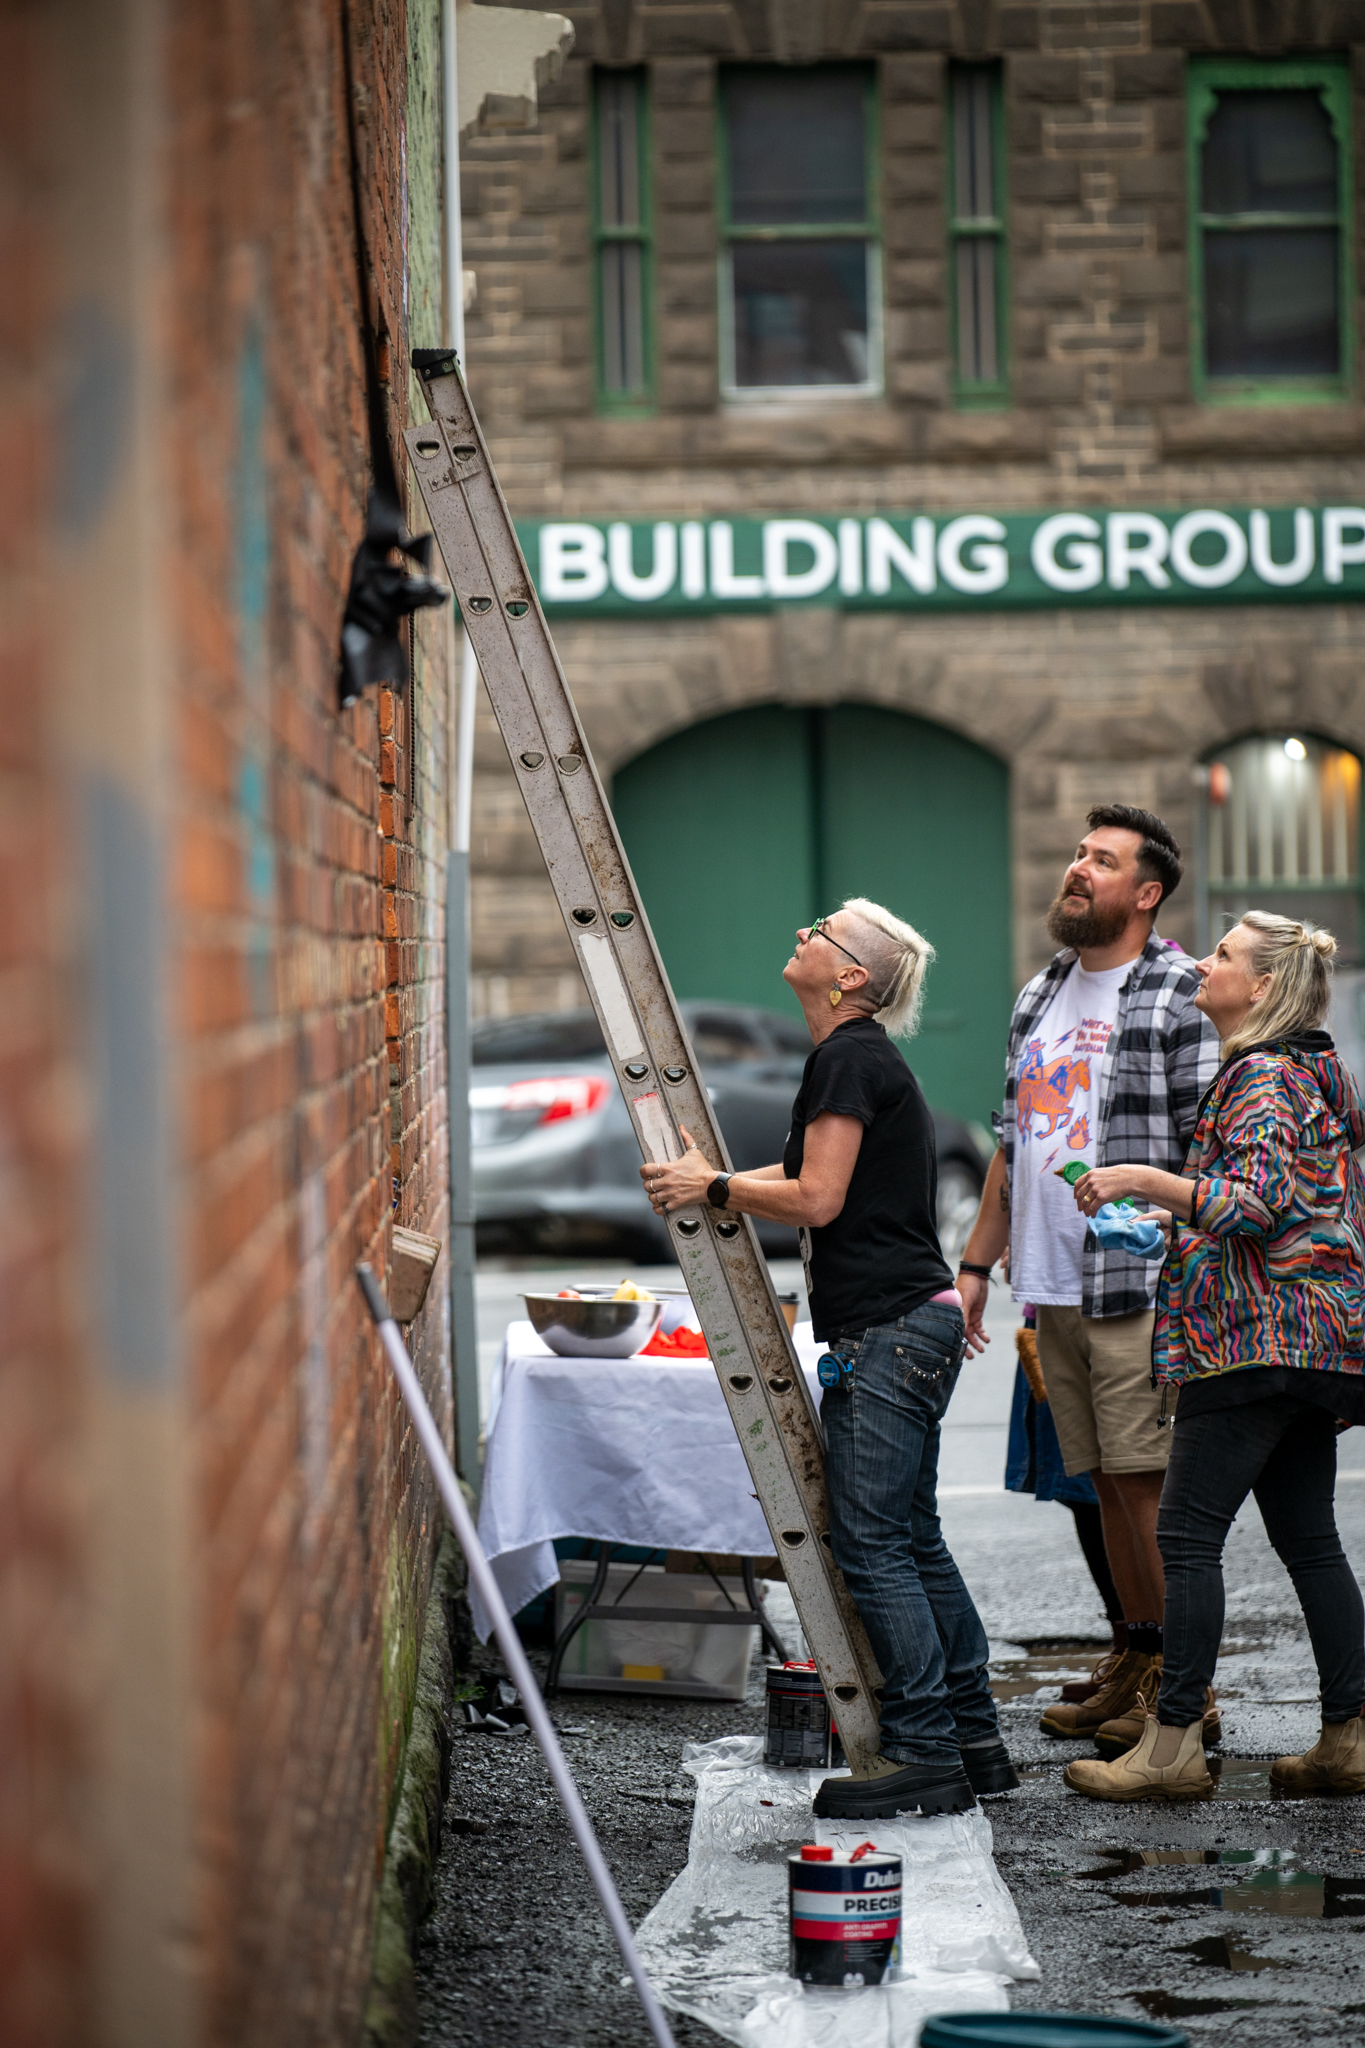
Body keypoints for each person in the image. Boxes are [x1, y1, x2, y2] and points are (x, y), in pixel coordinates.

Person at [641, 899, 1015, 1819]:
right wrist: (715, 1180)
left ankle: (926, 1752)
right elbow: (815, 1187)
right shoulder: (853, 1060)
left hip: (886, 1334)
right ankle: (973, 1741)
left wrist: (715, 1187)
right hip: (908, 1326)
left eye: (821, 930)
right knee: (911, 1539)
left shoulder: (848, 1057)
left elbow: (815, 1196)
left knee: (873, 1544)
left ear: (850, 976)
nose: (802, 933)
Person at [1064, 912, 1365, 1802]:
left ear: (1262, 987)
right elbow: (1283, 1205)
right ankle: (1347, 1735)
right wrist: (1174, 1219)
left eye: (1224, 955)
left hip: (1250, 1343)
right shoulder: (1313, 1070)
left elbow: (1258, 1204)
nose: (1204, 962)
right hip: (1316, 1339)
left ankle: (1173, 1746)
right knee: (1309, 1543)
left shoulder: (1262, 1075)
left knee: (1187, 1538)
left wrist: (1143, 1180)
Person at [956, 805, 1221, 1754]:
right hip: (1053, 1286)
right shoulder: (1039, 993)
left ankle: (1186, 1697)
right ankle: (1139, 1658)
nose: (1076, 869)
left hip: (1140, 1290)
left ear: (1145, 894)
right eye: (1076, 853)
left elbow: (1217, 1146)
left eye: (1100, 860)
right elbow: (1010, 1141)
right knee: (1105, 1487)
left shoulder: (1181, 992)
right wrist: (977, 1262)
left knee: (1148, 1491)